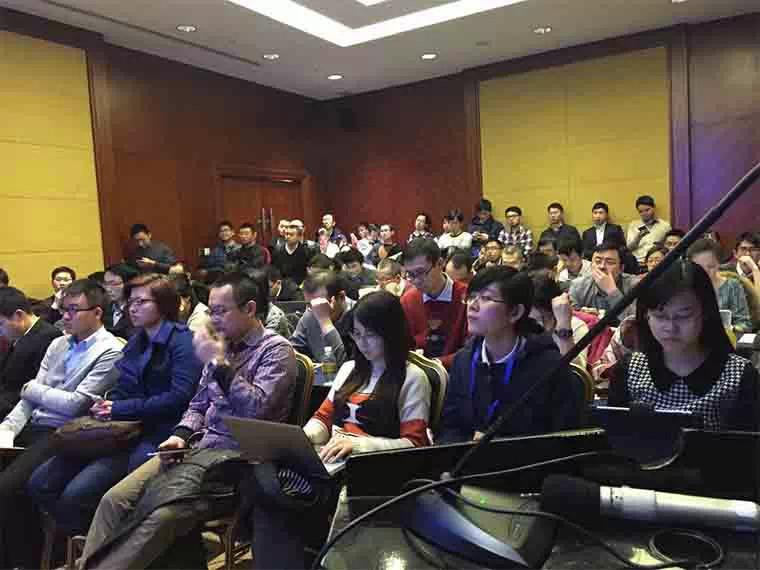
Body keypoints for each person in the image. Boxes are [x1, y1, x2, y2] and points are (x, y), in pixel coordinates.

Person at [77, 273, 297, 570]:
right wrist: (180, 434)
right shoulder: (220, 344)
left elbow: (257, 410)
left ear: (249, 308)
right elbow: (198, 403)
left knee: (160, 516)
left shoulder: (275, 350)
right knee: (114, 500)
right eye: (210, 311)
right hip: (196, 448)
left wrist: (219, 364)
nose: (213, 319)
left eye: (221, 311)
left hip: (239, 460)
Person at [249, 291, 432, 569]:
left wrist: (359, 445)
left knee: (278, 499)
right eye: (357, 335)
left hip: (368, 470)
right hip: (331, 461)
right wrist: (303, 438)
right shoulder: (349, 370)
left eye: (371, 335)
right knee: (267, 486)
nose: (362, 343)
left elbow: (415, 445)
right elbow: (323, 419)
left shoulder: (413, 378)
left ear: (392, 333)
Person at [27, 274, 202, 536]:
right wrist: (106, 404)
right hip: (121, 429)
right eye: (131, 302)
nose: (133, 308)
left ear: (164, 304)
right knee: (41, 481)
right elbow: (123, 387)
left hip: (159, 431)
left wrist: (119, 408)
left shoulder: (184, 342)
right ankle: (85, 543)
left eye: (142, 302)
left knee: (77, 494)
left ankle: (104, 546)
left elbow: (179, 398)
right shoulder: (137, 341)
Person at [0, 280, 123, 568]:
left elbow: (74, 404)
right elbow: (29, 398)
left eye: (73, 310)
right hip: (33, 425)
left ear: (97, 312)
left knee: (7, 488)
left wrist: (32, 389)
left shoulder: (111, 350)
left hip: (66, 432)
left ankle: (26, 562)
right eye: (63, 309)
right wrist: (6, 428)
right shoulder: (58, 344)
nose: (65, 316)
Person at [437, 266, 583, 443]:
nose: (472, 306)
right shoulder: (464, 361)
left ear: (515, 312)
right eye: (471, 297)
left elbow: (564, 440)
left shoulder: (549, 367)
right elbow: (449, 428)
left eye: (486, 298)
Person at [608, 261, 759, 431]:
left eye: (683, 316)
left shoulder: (738, 377)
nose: (670, 327)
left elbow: (747, 443)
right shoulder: (629, 370)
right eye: (660, 316)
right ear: (646, 316)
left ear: (706, 313)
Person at [400, 239, 468, 368]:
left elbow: (473, 349)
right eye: (410, 274)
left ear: (440, 263)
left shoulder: (467, 297)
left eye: (421, 272)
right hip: (420, 372)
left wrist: (434, 365)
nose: (416, 281)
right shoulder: (408, 300)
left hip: (459, 370)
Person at [0, 287, 62, 418]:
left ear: (18, 315)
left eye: (0, 324)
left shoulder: (49, 337)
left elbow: (32, 391)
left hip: (23, 414)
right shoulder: (19, 333)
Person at [290, 271, 355, 371]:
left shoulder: (359, 317)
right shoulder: (310, 313)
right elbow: (293, 351)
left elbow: (346, 367)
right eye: (309, 304)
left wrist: (325, 322)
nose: (316, 311)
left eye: (321, 305)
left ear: (341, 297)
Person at [687, 239, 752, 334]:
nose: (704, 272)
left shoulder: (732, 286)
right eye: (698, 267)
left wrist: (731, 329)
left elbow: (745, 324)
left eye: (711, 267)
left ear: (719, 264)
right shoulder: (685, 287)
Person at [529, 274, 589, 369]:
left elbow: (574, 370)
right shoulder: (520, 325)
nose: (545, 326)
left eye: (547, 318)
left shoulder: (576, 326)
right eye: (535, 320)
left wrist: (564, 326)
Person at [569, 242, 637, 323]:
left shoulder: (634, 285)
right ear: (591, 265)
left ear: (621, 268)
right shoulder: (578, 286)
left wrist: (612, 291)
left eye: (610, 262)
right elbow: (573, 320)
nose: (602, 266)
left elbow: (636, 320)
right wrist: (587, 317)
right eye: (597, 261)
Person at [625, 196, 672, 268]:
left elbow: (668, 247)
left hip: (656, 264)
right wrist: (638, 238)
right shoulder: (633, 225)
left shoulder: (665, 226)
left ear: (654, 208)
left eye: (647, 210)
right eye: (640, 211)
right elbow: (628, 249)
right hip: (637, 263)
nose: (644, 214)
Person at [103, 263, 139, 339]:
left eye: (113, 284)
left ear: (129, 283)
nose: (108, 289)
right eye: (106, 284)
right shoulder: (103, 309)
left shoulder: (138, 310)